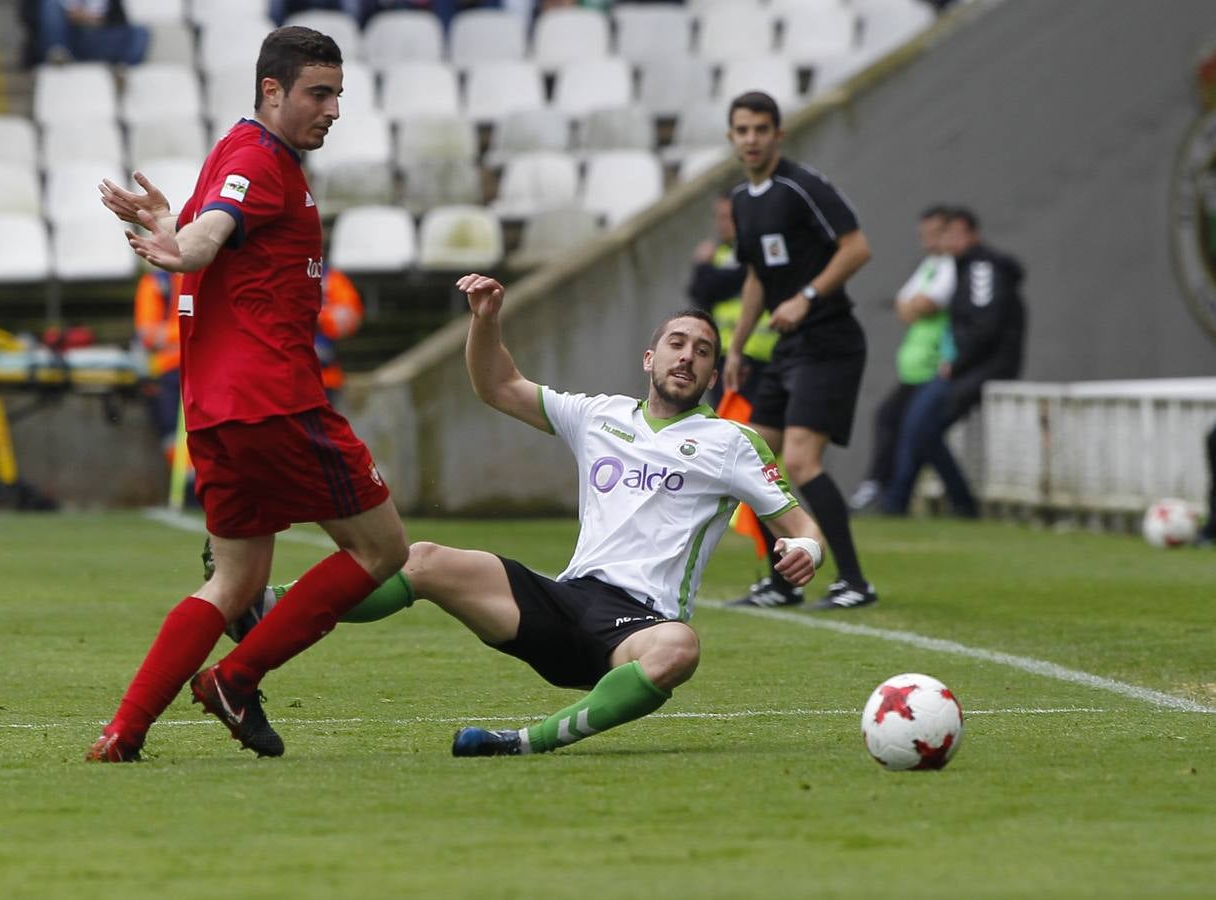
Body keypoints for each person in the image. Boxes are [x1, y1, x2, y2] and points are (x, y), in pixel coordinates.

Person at [214, 272, 826, 756]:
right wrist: (486, 322)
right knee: (421, 559)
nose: (686, 357)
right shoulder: (600, 415)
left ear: (714, 372)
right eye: (676, 344)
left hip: (638, 626)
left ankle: (525, 742)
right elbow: (497, 385)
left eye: (701, 351)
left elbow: (799, 525)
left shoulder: (731, 443)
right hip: (564, 602)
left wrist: (809, 550)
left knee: (680, 649)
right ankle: (264, 609)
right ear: (649, 358)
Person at [86, 26, 409, 763]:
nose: (331, 109)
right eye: (317, 93)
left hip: (214, 409)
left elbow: (214, 236)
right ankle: (236, 677)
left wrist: (169, 226)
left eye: (336, 95)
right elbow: (207, 244)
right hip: (275, 401)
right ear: (272, 91)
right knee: (382, 548)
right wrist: (180, 246)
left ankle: (123, 731)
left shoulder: (237, 154)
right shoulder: (261, 160)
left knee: (235, 578)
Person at [722, 90, 877, 611]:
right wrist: (737, 347)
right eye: (742, 130)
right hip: (787, 349)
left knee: (801, 461)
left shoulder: (802, 186)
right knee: (748, 456)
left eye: (760, 129)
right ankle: (784, 582)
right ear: (732, 136)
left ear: (777, 134)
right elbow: (755, 277)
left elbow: (857, 248)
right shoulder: (743, 200)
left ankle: (854, 581)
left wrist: (807, 297)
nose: (751, 139)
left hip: (829, 341)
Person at [879, 207, 1025, 517]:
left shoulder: (981, 268)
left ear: (973, 234)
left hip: (982, 367)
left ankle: (947, 503)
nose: (948, 240)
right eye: (946, 234)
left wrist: (957, 363)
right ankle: (905, 501)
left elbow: (985, 325)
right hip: (968, 365)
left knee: (919, 425)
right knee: (917, 426)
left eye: (955, 233)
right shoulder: (963, 267)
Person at [849, 206, 956, 512]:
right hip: (915, 370)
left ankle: (893, 496)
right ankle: (883, 490)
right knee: (892, 420)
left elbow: (925, 303)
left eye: (934, 233)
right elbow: (904, 306)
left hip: (936, 367)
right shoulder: (930, 265)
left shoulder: (952, 267)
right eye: (924, 234)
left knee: (915, 430)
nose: (926, 240)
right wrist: (913, 306)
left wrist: (914, 306)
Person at [687, 194, 778, 412]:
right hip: (727, 358)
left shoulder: (764, 249)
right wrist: (703, 269)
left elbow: (743, 276)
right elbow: (701, 290)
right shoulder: (719, 254)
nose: (723, 224)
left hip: (767, 356)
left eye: (729, 217)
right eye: (719, 217)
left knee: (767, 433)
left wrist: (704, 268)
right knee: (734, 428)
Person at [133, 267, 183, 469]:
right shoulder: (156, 282)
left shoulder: (207, 275)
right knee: (172, 433)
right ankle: (188, 483)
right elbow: (148, 334)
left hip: (206, 368)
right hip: (167, 372)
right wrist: (189, 332)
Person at [37, 0, 149, 66]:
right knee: (49, 4)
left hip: (101, 38)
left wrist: (93, 19)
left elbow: (119, 21)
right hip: (75, 39)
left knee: (141, 32)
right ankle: (58, 52)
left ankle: (123, 69)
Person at [316, 267, 364, 406]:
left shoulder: (331, 278)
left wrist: (317, 319)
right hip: (283, 378)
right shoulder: (279, 274)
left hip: (325, 379)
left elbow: (350, 318)